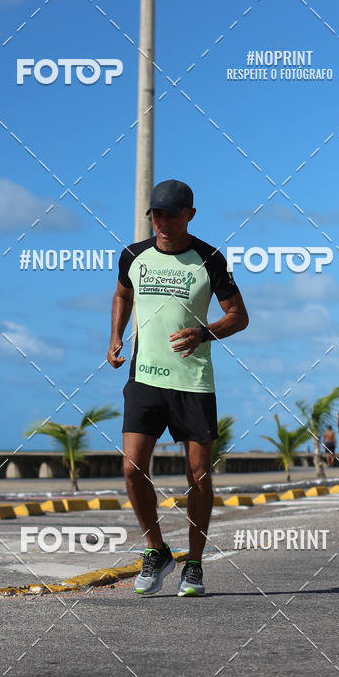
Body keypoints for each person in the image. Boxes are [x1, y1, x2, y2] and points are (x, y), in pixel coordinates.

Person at [107, 179, 249, 597]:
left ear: (190, 215)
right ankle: (157, 550)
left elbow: (238, 316)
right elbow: (122, 295)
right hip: (144, 377)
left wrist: (203, 333)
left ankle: (195, 565)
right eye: (157, 215)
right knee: (132, 469)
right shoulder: (133, 255)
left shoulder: (210, 259)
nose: (163, 223)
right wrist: (115, 336)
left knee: (198, 476)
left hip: (193, 383)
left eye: (171, 215)